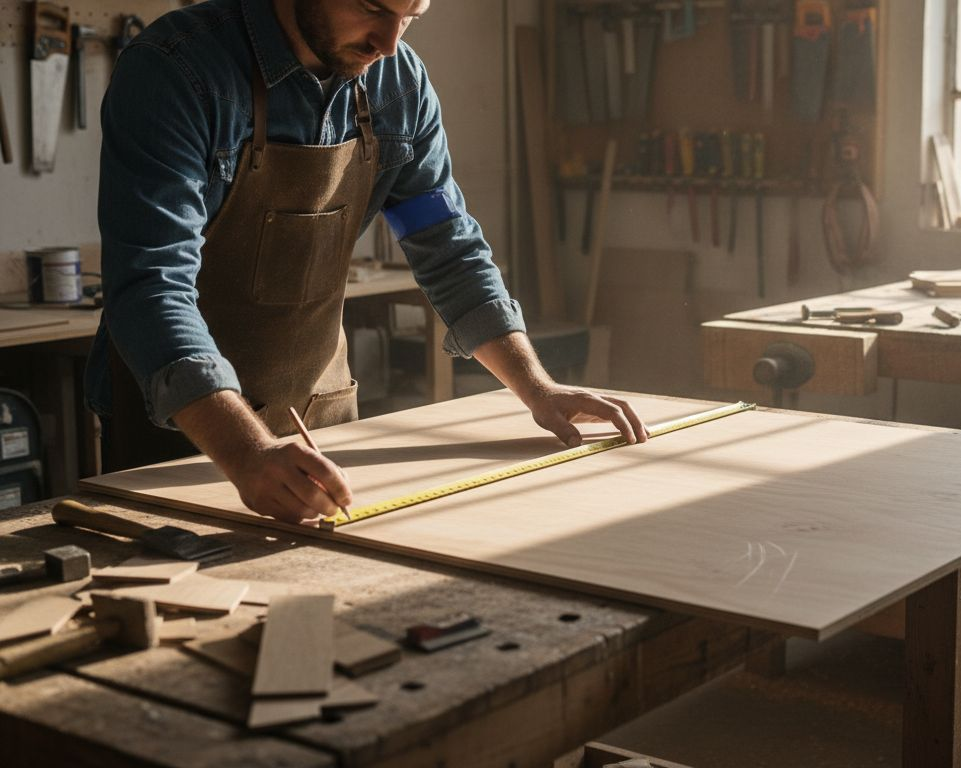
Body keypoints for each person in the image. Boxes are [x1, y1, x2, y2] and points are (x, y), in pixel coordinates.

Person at [87, 0, 647, 525]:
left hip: (320, 415)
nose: (388, 41)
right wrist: (248, 450)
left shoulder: (397, 84)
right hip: (188, 430)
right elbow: (151, 288)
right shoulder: (176, 71)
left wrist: (537, 388)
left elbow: (448, 245)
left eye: (411, 15)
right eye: (374, 8)